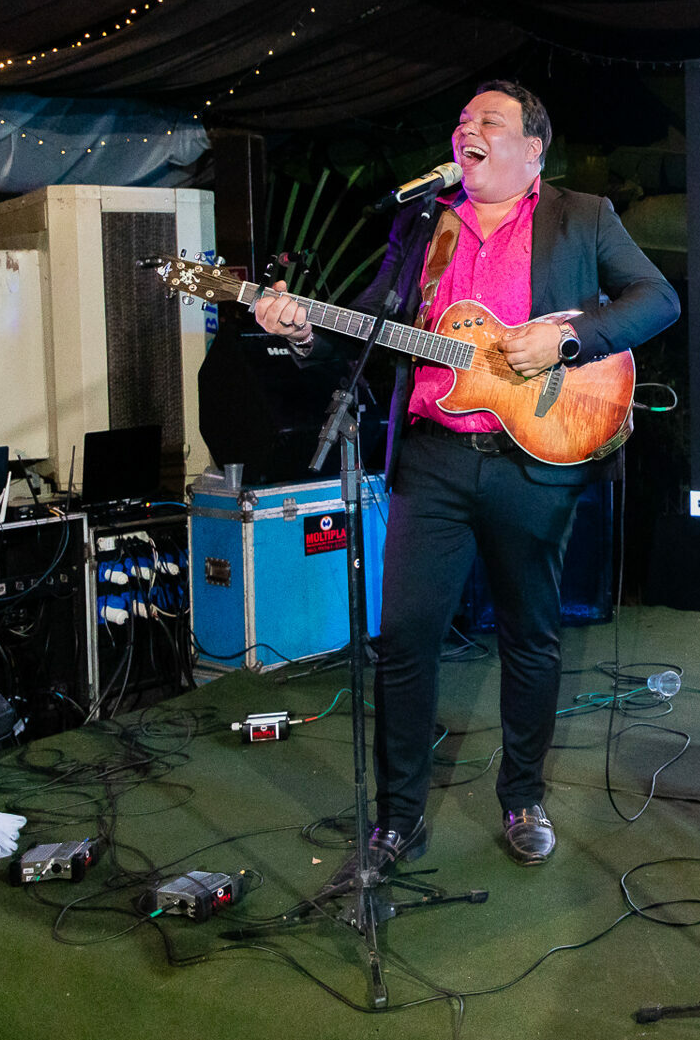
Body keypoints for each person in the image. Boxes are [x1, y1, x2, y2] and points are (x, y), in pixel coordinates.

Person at [254, 80, 678, 881]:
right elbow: (368, 329)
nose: (466, 129)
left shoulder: (582, 215)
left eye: (488, 120)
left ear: (533, 149)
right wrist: (307, 330)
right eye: (461, 120)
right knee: (405, 637)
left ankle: (523, 799)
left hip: (534, 454)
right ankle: (398, 817)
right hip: (434, 460)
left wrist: (567, 341)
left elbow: (658, 299)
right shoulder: (423, 224)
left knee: (530, 634)